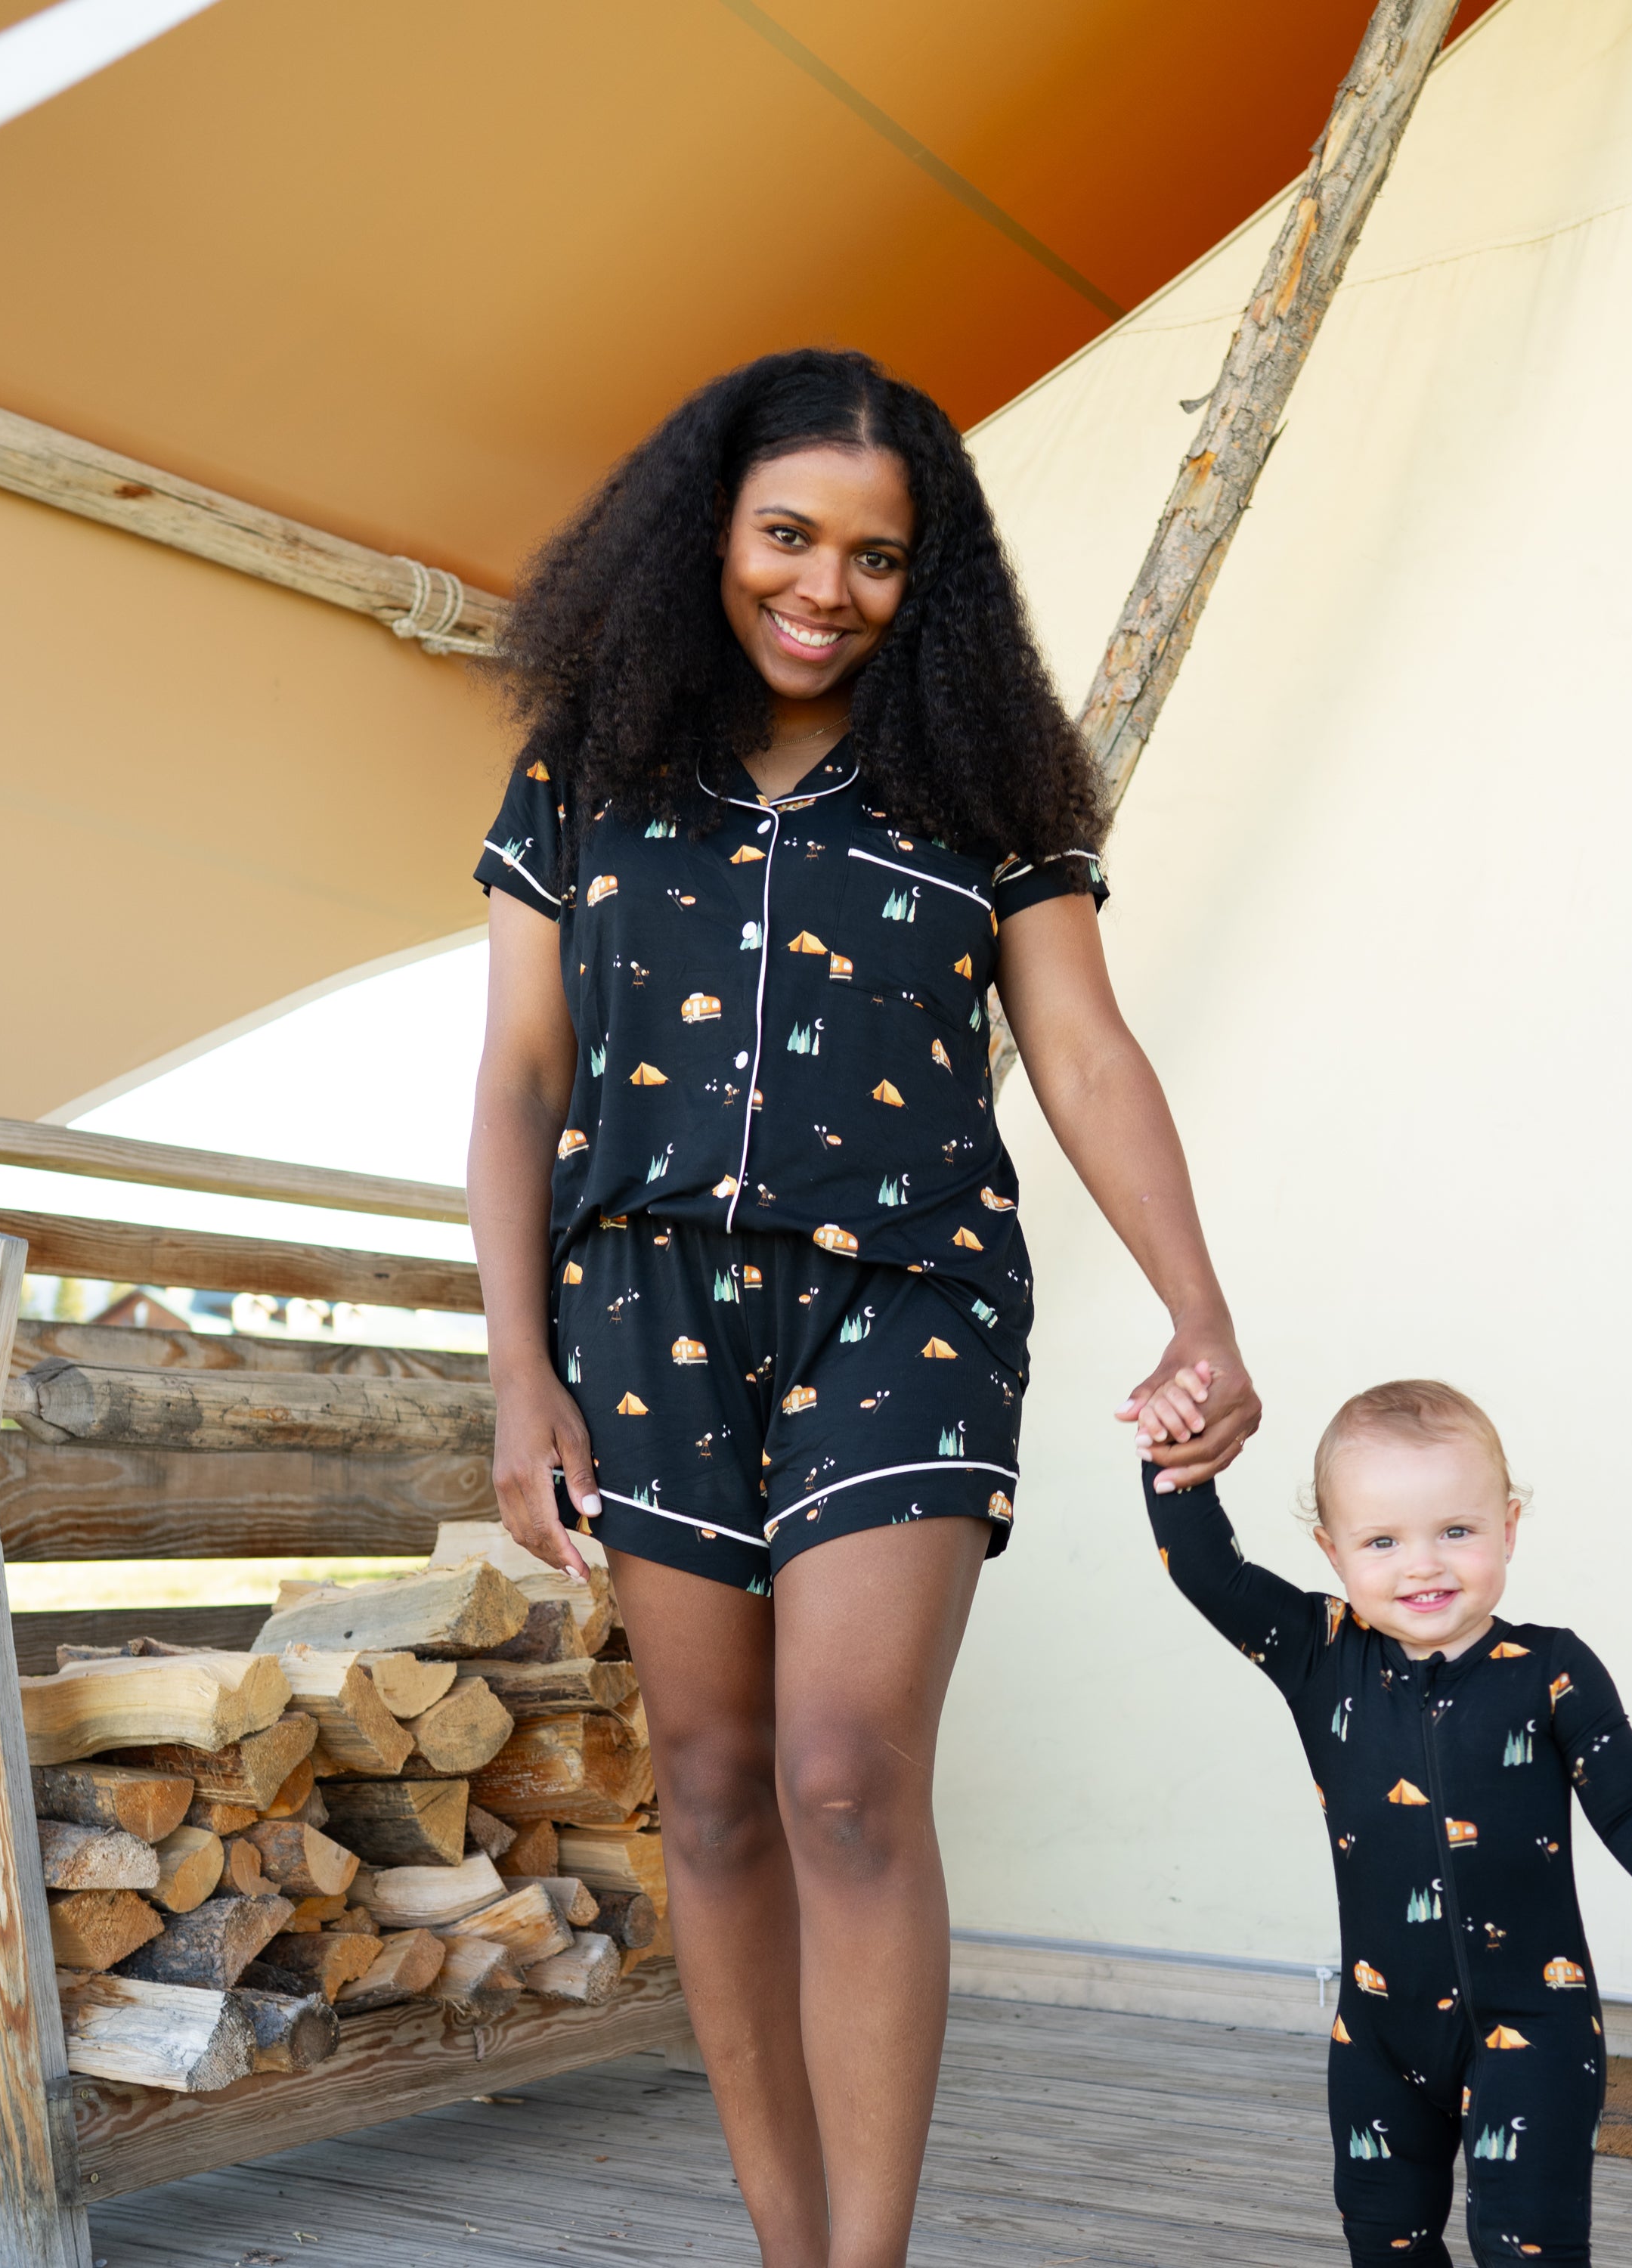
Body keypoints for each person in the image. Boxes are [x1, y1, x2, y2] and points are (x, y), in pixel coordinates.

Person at [466, 348, 1261, 2268]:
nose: (825, 588)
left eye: (878, 556)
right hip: (639, 1302)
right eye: (788, 536)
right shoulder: (585, 766)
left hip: (906, 1300)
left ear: (930, 577)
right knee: (712, 1787)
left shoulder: (983, 778)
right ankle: (787, 2244)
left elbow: (1080, 1051)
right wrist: (516, 1375)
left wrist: (1200, 1311)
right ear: (706, 533)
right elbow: (519, 1077)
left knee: (840, 1774)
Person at [1138, 1372, 1632, 2267]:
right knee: (1383, 2240)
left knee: (1526, 2246)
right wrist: (1174, 1457)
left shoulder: (1552, 1671)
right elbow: (1211, 1572)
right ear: (1332, 1553)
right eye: (1382, 1541)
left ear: (1508, 1527)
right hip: (1377, 2036)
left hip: (1536, 2026)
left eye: (1457, 1532)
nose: (1423, 1565)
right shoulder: (1321, 1655)